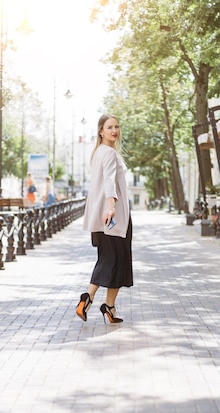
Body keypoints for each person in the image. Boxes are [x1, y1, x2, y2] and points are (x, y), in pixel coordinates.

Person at [76, 114, 132, 324]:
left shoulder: (99, 152)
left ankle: (109, 307)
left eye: (117, 126)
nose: (114, 131)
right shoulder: (108, 153)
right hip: (113, 216)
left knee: (113, 260)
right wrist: (111, 207)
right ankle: (87, 298)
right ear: (101, 131)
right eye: (110, 127)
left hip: (105, 216)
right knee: (112, 260)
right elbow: (109, 181)